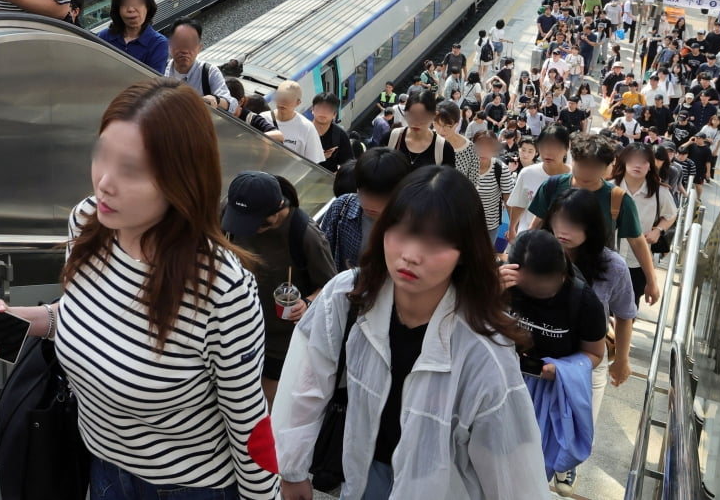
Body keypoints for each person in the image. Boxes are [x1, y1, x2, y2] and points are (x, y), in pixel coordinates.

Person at [0, 78, 280, 499]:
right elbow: (81, 315)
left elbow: (248, 420)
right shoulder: (90, 223)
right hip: (103, 469)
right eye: (101, 155)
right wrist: (21, 323)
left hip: (188, 488)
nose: (104, 182)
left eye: (130, 169)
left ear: (180, 179)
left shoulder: (220, 288)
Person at [276, 167, 551, 500]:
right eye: (401, 231)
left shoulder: (483, 349)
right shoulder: (349, 294)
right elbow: (307, 382)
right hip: (362, 475)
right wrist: (290, 468)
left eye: (435, 242)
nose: (410, 255)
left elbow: (513, 470)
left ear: (466, 251)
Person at [537, 189, 637, 496]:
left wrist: (621, 360)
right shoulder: (535, 252)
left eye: (575, 223)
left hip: (586, 361)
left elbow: (624, 314)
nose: (564, 230)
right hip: (538, 359)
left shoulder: (613, 266)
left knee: (575, 425)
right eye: (559, 220)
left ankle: (566, 463)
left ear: (592, 226)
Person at [220, 172, 337, 408]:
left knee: (265, 403)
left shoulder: (304, 234)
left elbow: (330, 286)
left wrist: (307, 302)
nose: (245, 229)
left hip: (277, 338)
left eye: (253, 224)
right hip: (234, 325)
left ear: (276, 212)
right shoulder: (230, 213)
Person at [501, 231, 605, 486]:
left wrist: (560, 370)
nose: (533, 297)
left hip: (547, 392)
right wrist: (487, 290)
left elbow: (594, 354)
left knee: (532, 469)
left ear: (562, 275)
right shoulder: (502, 284)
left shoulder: (583, 301)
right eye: (527, 290)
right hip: (501, 381)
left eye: (543, 292)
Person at [527, 133, 659, 305]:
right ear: (572, 159)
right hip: (548, 268)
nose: (586, 172)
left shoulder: (618, 199)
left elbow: (637, 241)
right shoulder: (552, 186)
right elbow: (537, 223)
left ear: (607, 167)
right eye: (582, 164)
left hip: (594, 278)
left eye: (594, 166)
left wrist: (651, 280)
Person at [320, 147, 413, 272]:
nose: (371, 204)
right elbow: (322, 252)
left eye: (381, 197)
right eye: (365, 194)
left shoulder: (412, 224)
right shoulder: (342, 207)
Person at [611, 144, 678, 304]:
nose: (637, 165)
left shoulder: (659, 192)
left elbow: (671, 214)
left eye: (643, 161)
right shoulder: (610, 187)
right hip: (606, 258)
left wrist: (658, 230)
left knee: (627, 311)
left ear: (650, 165)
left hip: (637, 263)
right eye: (633, 160)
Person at [507, 124, 572, 249]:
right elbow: (519, 204)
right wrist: (512, 229)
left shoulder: (576, 177)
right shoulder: (527, 173)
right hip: (528, 239)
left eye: (555, 147)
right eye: (544, 146)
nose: (548, 152)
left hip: (560, 245)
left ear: (566, 148)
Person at [97, 0, 169, 73]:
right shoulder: (104, 37)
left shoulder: (158, 44)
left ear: (147, 6)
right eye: (125, 4)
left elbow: (153, 84)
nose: (131, 9)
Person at [164, 17, 234, 111]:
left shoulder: (209, 72)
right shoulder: (160, 69)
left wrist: (215, 100)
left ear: (199, 48)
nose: (185, 50)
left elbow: (231, 105)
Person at [388, 89, 456, 171]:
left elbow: (447, 181)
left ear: (434, 115)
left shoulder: (444, 149)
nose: (416, 122)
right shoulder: (391, 137)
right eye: (412, 115)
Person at [261, 80, 326, 163]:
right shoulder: (262, 118)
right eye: (280, 97)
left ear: (298, 103)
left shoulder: (307, 127)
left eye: (288, 99)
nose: (282, 102)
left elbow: (315, 163)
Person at [473, 129, 517, 247]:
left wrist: (512, 227)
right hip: (465, 224)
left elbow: (508, 199)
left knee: (483, 258)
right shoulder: (465, 166)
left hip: (490, 225)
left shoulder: (500, 169)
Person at [432, 100, 479, 182]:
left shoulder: (470, 149)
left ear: (457, 124)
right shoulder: (425, 143)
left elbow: (473, 183)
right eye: (437, 124)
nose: (441, 130)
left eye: (447, 126)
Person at [311, 93, 353, 172]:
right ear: (312, 110)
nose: (323, 112)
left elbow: (348, 165)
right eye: (320, 107)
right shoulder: (303, 130)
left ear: (334, 114)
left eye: (328, 110)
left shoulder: (340, 136)